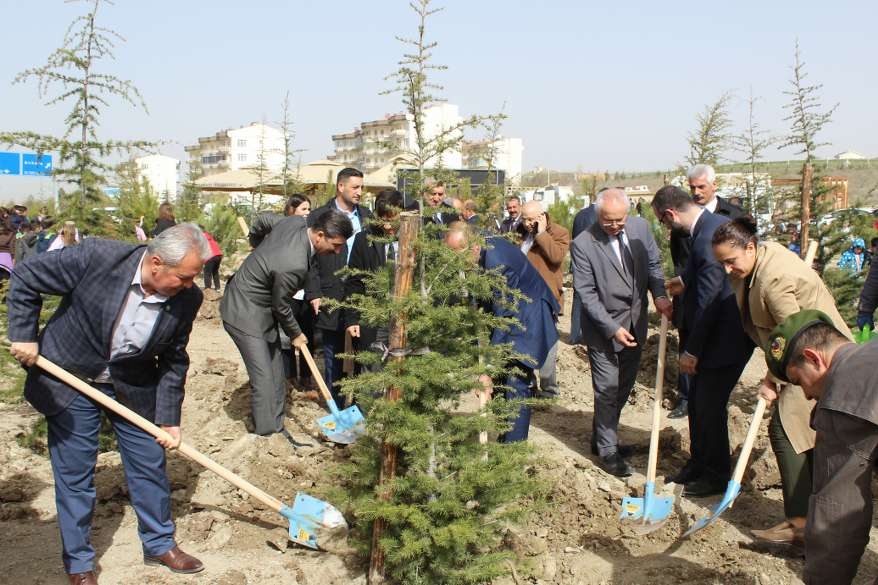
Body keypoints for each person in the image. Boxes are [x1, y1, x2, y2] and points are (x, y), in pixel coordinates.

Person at [7, 223, 210, 584]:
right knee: (76, 473)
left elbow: (175, 359)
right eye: (184, 277)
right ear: (156, 263)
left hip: (131, 383)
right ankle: (80, 563)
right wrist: (24, 335)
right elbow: (26, 274)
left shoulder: (186, 298)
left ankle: (160, 543)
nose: (190, 285)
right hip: (68, 376)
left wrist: (168, 418)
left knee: (149, 462)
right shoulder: (98, 257)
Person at [711, 217, 852, 545]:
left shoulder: (774, 278)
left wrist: (771, 379)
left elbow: (798, 342)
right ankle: (812, 518)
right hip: (799, 361)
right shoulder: (751, 265)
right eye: (722, 264)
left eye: (730, 261)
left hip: (818, 364)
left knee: (788, 433)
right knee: (809, 435)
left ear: (750, 248)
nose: (727, 270)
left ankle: (802, 526)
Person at [763, 310, 878, 585]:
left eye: (799, 381)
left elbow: (838, 518)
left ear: (815, 358)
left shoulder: (843, 398)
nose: (806, 394)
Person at [651, 186, 753, 497]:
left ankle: (716, 475)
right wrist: (684, 281)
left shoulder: (708, 238)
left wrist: (692, 350)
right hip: (710, 336)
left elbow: (710, 300)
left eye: (664, 222)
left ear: (670, 214)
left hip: (721, 341)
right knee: (696, 403)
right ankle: (698, 462)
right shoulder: (707, 228)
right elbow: (707, 277)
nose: (667, 228)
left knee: (709, 406)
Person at [221, 209, 353, 436]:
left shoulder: (294, 222)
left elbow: (263, 219)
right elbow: (280, 305)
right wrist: (296, 333)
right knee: (263, 376)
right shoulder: (294, 263)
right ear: (320, 235)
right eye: (336, 244)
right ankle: (267, 434)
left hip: (262, 309)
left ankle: (277, 422)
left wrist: (257, 243)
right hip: (243, 310)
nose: (338, 251)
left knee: (275, 371)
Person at [571, 188, 672, 477]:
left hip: (636, 322)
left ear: (627, 213)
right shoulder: (584, 243)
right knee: (607, 389)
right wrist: (612, 328)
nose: (614, 225)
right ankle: (608, 451)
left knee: (624, 385)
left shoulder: (640, 228)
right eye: (608, 220)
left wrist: (660, 295)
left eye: (619, 220)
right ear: (597, 214)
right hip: (603, 327)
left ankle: (603, 437)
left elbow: (653, 264)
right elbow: (586, 294)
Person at [445, 221, 559, 442]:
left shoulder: (499, 264)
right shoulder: (477, 244)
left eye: (459, 256)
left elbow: (502, 319)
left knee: (516, 383)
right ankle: (502, 436)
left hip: (528, 318)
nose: (456, 263)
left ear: (474, 247)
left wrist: (485, 370)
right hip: (508, 313)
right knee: (500, 381)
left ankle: (512, 452)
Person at [668, 164, 746, 419]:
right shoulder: (683, 223)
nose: (697, 191)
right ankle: (686, 397)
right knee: (688, 351)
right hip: (691, 300)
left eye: (701, 186)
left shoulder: (733, 216)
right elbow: (682, 260)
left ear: (715, 185)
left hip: (720, 303)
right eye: (692, 187)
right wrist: (684, 282)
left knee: (707, 362)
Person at [307, 169, 371, 405]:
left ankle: (357, 403)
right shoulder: (319, 216)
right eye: (355, 187)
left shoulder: (367, 216)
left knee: (360, 350)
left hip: (360, 294)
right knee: (333, 353)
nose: (360, 192)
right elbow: (309, 260)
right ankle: (334, 403)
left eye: (362, 187)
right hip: (330, 291)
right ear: (340, 187)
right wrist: (313, 292)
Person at [344, 189, 404, 367]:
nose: (387, 226)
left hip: (406, 319)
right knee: (374, 373)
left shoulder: (415, 241)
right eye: (382, 219)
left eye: (391, 219)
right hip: (375, 321)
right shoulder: (364, 240)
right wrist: (352, 319)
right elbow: (355, 281)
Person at [519, 200, 570, 398]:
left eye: (531, 219)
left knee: (548, 343)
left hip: (545, 298)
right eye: (524, 219)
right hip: (522, 297)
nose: (527, 223)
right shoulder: (519, 232)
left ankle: (549, 388)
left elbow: (556, 257)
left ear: (542, 216)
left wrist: (541, 234)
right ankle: (529, 385)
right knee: (525, 342)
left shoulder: (559, 232)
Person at [568, 200, 598, 347]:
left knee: (577, 298)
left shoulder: (579, 215)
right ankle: (587, 336)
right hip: (592, 265)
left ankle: (574, 335)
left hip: (577, 263)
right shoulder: (598, 215)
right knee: (591, 299)